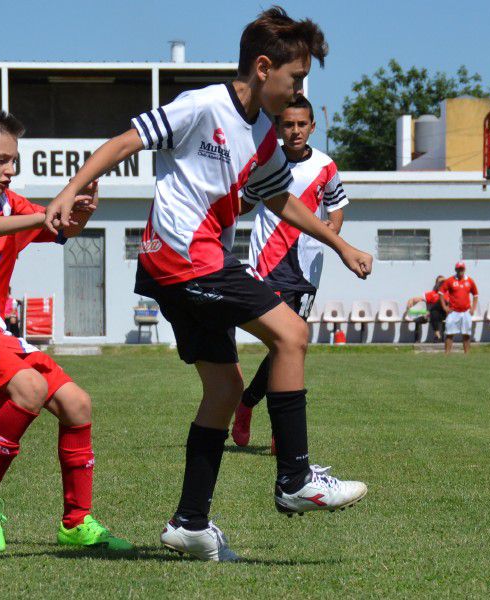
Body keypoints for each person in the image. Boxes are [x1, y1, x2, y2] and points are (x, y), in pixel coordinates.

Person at [42, 7, 372, 561]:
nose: (299, 90)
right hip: (182, 259)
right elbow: (125, 142)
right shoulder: (202, 105)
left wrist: (340, 244)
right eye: (296, 78)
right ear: (264, 68)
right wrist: (68, 189)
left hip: (192, 264)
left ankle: (190, 524)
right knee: (291, 334)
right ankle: (295, 480)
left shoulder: (264, 136)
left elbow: (279, 198)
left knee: (223, 390)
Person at [0, 106, 131, 553]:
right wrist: (43, 214)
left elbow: (61, 229)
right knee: (29, 388)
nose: (11, 170)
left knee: (77, 403)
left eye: (15, 160)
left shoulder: (11, 204)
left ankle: (76, 523)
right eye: (2, 160)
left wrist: (81, 210)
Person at [231, 94, 348, 448]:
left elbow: (337, 207)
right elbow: (244, 203)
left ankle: (248, 403)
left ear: (313, 127)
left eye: (301, 124)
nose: (295, 131)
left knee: (288, 345)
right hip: (268, 264)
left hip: (307, 270)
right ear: (278, 127)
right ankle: (279, 425)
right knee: (282, 342)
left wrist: (332, 231)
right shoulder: (267, 161)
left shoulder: (326, 166)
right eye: (288, 124)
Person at [439, 262, 479, 354]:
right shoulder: (450, 280)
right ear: (455, 270)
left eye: (462, 269)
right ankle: (447, 354)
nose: (460, 271)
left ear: (464, 269)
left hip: (466, 312)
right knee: (449, 333)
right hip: (453, 312)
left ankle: (467, 355)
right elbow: (441, 293)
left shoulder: (469, 281)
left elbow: (476, 295)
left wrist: (473, 308)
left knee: (466, 334)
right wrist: (445, 307)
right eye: (459, 269)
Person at [404, 275, 447, 342]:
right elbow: (416, 299)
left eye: (443, 282)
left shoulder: (450, 293)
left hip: (447, 314)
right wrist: (411, 300)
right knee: (433, 312)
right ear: (436, 284)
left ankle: (426, 316)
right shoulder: (432, 294)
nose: (442, 284)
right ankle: (437, 336)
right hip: (435, 315)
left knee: (439, 303)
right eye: (440, 282)